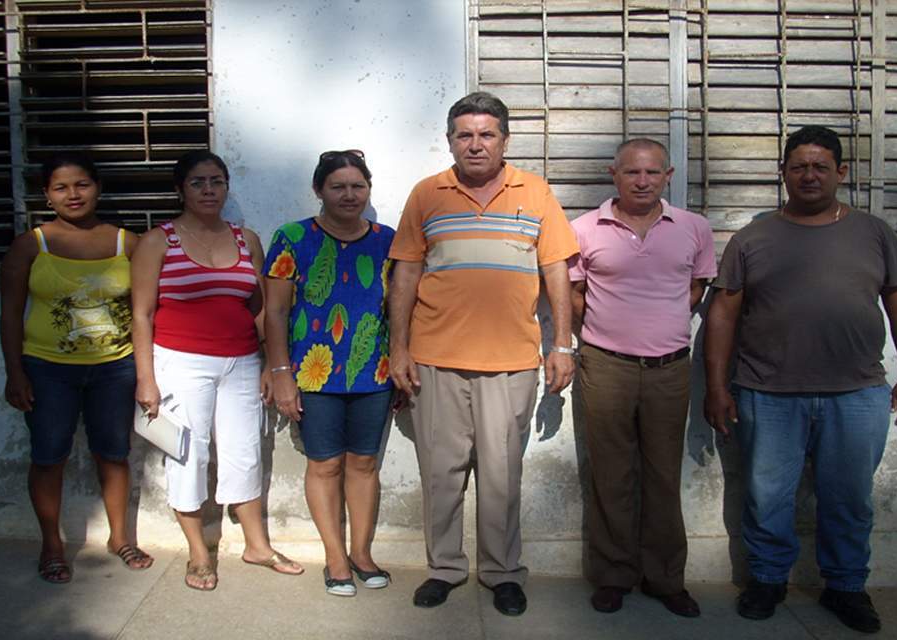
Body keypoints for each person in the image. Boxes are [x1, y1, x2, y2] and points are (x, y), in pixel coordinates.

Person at [704, 125, 897, 633]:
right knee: (767, 495)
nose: (809, 176)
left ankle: (846, 586)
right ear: (782, 173)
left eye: (820, 167)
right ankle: (767, 579)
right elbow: (723, 315)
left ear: (840, 172)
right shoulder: (752, 238)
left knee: (849, 498)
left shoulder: (874, 233)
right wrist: (716, 387)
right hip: (768, 392)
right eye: (798, 167)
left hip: (857, 393)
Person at [389, 91, 579, 616]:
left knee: (501, 475)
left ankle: (502, 573)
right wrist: (399, 347)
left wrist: (561, 344)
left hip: (511, 361)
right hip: (434, 359)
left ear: (505, 140)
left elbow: (556, 270)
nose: (475, 145)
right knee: (441, 473)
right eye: (465, 135)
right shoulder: (427, 194)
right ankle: (444, 568)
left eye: (486, 134)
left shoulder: (535, 192)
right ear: (450, 141)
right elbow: (405, 272)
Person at [130, 149, 303, 591]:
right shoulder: (158, 241)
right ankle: (199, 552)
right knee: (188, 455)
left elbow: (259, 307)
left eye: (217, 182)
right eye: (198, 182)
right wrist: (146, 379)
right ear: (180, 190)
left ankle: (257, 545)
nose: (209, 190)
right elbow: (142, 315)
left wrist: (268, 362)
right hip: (180, 362)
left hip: (241, 362)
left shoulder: (247, 239)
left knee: (245, 451)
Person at [568, 139, 715, 617]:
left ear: (668, 176)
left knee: (663, 475)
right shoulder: (584, 229)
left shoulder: (693, 228)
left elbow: (694, 288)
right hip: (605, 366)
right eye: (632, 172)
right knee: (610, 474)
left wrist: (658, 325)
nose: (643, 181)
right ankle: (614, 575)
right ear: (613, 174)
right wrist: (609, 332)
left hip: (669, 369)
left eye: (653, 172)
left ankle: (665, 578)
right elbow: (574, 295)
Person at [0, 152, 154, 583]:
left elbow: (149, 308)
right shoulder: (30, 245)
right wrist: (15, 372)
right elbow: (10, 314)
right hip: (47, 370)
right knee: (49, 455)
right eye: (61, 187)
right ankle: (52, 544)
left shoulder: (129, 244)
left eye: (82, 184)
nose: (73, 194)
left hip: (115, 368)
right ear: (46, 195)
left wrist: (147, 371)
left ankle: (119, 538)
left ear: (98, 188)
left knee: (114, 453)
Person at [263, 150, 395, 597]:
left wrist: (400, 361)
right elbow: (275, 312)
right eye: (338, 186)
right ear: (319, 189)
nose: (349, 195)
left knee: (364, 463)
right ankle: (335, 557)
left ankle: (361, 554)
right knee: (324, 464)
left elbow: (400, 308)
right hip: (312, 373)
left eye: (358, 186)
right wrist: (281, 371)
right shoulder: (292, 238)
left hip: (373, 372)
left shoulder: (388, 241)